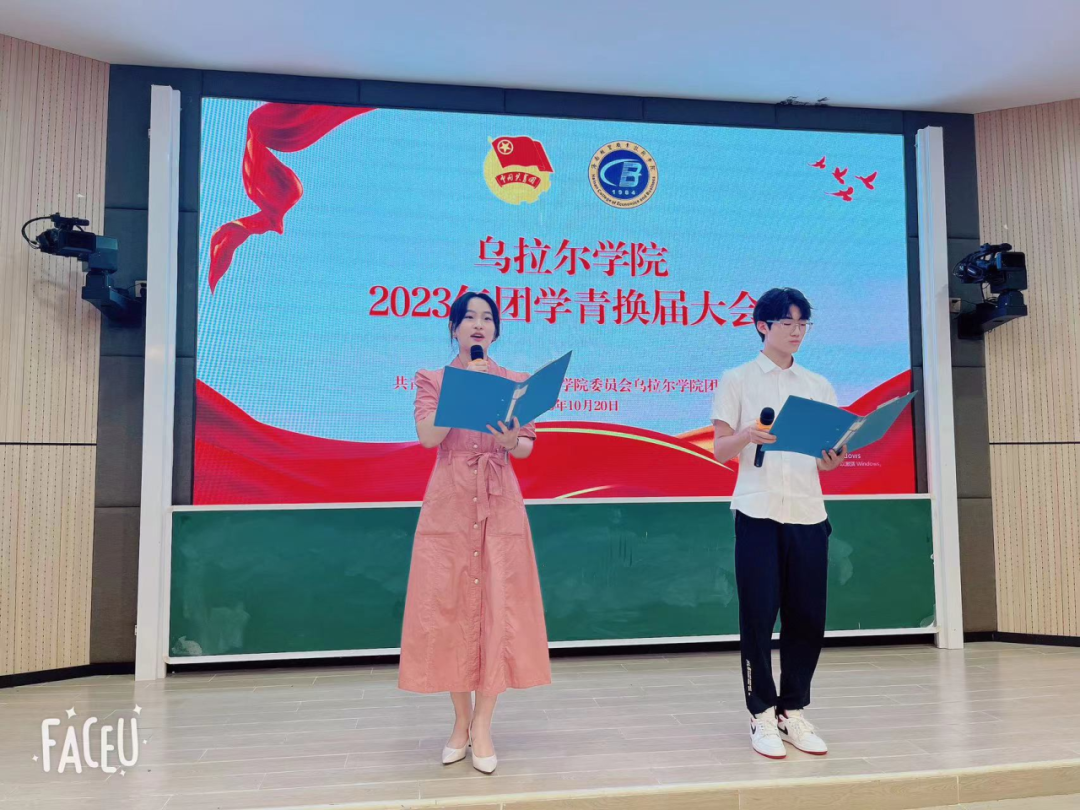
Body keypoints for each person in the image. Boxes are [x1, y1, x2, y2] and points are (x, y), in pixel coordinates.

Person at [398, 291, 551, 774]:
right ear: (454, 328)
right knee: (450, 609)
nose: (478, 325)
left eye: (487, 318)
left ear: (496, 330)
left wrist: (510, 438)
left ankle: (484, 723)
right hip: (449, 501)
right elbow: (428, 437)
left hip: (499, 500)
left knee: (497, 609)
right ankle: (460, 721)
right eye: (469, 318)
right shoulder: (433, 379)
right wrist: (465, 391)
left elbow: (524, 447)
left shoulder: (515, 382)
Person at [710, 287, 847, 760]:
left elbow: (825, 458)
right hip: (758, 512)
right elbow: (719, 450)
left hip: (808, 512)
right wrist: (747, 434)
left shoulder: (817, 385)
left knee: (807, 618)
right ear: (762, 326)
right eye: (787, 322)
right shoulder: (738, 379)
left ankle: (793, 710)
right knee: (758, 616)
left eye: (803, 323)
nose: (796, 331)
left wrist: (832, 458)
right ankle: (761, 713)